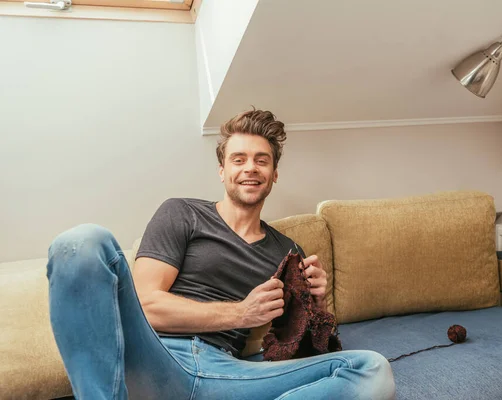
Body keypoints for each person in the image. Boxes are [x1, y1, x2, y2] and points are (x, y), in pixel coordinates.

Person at [46, 109, 396, 399]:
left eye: (262, 160)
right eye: (238, 159)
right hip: (153, 359)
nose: (250, 168)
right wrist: (241, 314)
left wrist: (316, 305)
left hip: (226, 376)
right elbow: (147, 307)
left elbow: (300, 347)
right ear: (222, 170)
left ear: (274, 175)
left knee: (371, 368)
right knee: (81, 242)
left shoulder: (287, 251)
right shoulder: (182, 213)